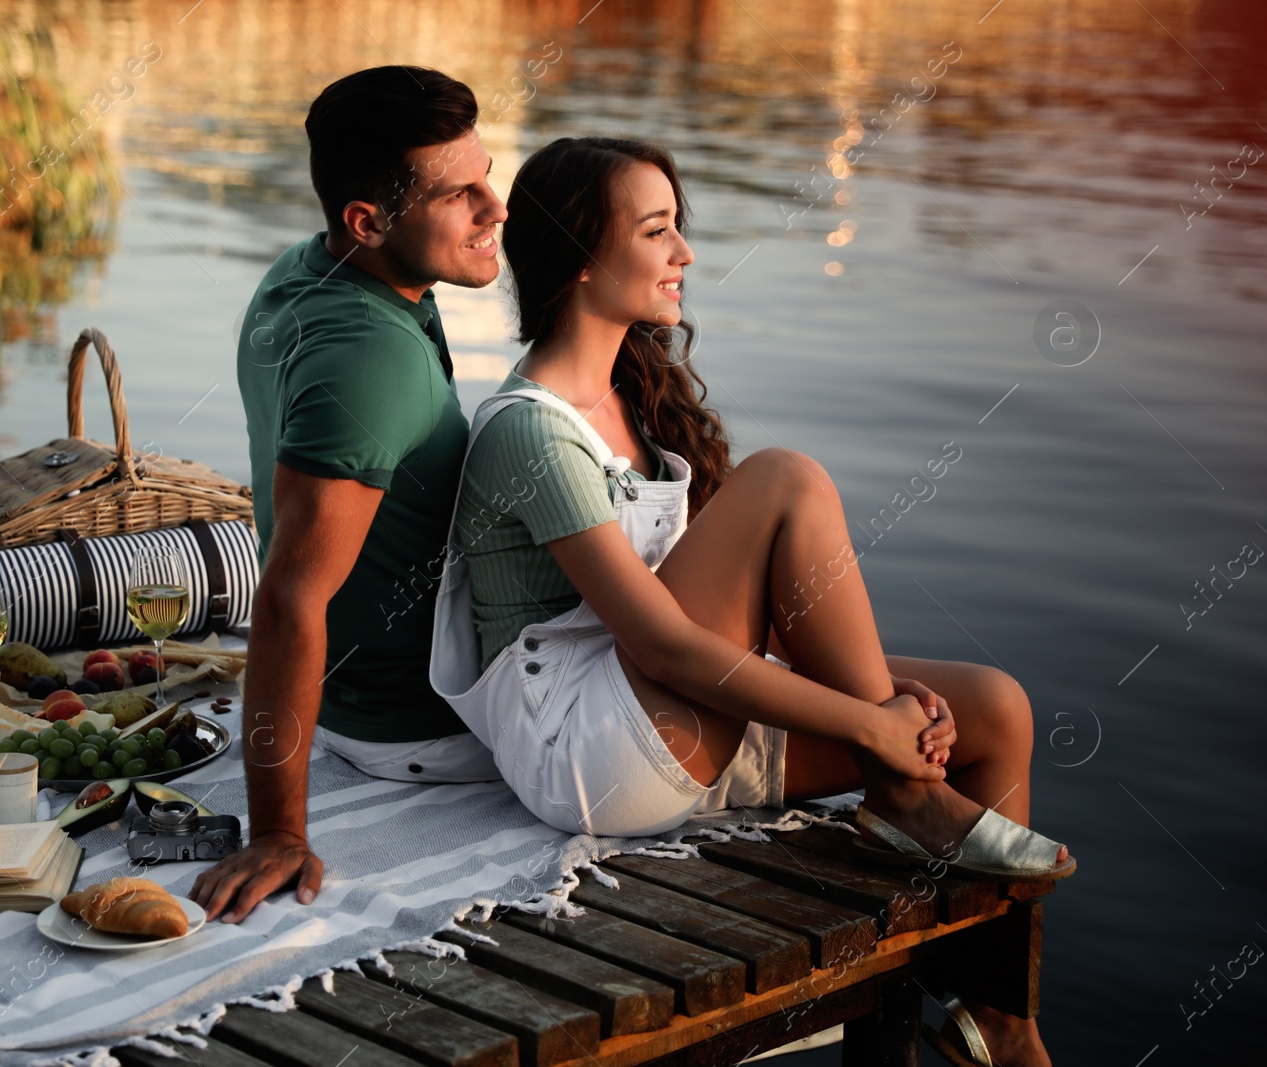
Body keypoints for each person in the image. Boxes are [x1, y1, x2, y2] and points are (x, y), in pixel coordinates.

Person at [428, 136, 1073, 1067]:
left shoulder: (629, 401)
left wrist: (887, 699)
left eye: (678, 227)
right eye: (658, 231)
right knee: (785, 480)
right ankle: (898, 785)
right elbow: (666, 647)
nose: (684, 251)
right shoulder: (529, 431)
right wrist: (868, 721)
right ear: (579, 258)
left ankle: (1000, 1022)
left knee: (993, 712)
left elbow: (751, 617)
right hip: (589, 748)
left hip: (669, 717)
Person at [189, 67, 507, 925]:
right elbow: (292, 594)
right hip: (423, 722)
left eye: (488, 175)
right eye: (460, 195)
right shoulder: (372, 360)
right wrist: (277, 831)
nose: (496, 207)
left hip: (370, 697)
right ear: (367, 221)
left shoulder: (311, 269)